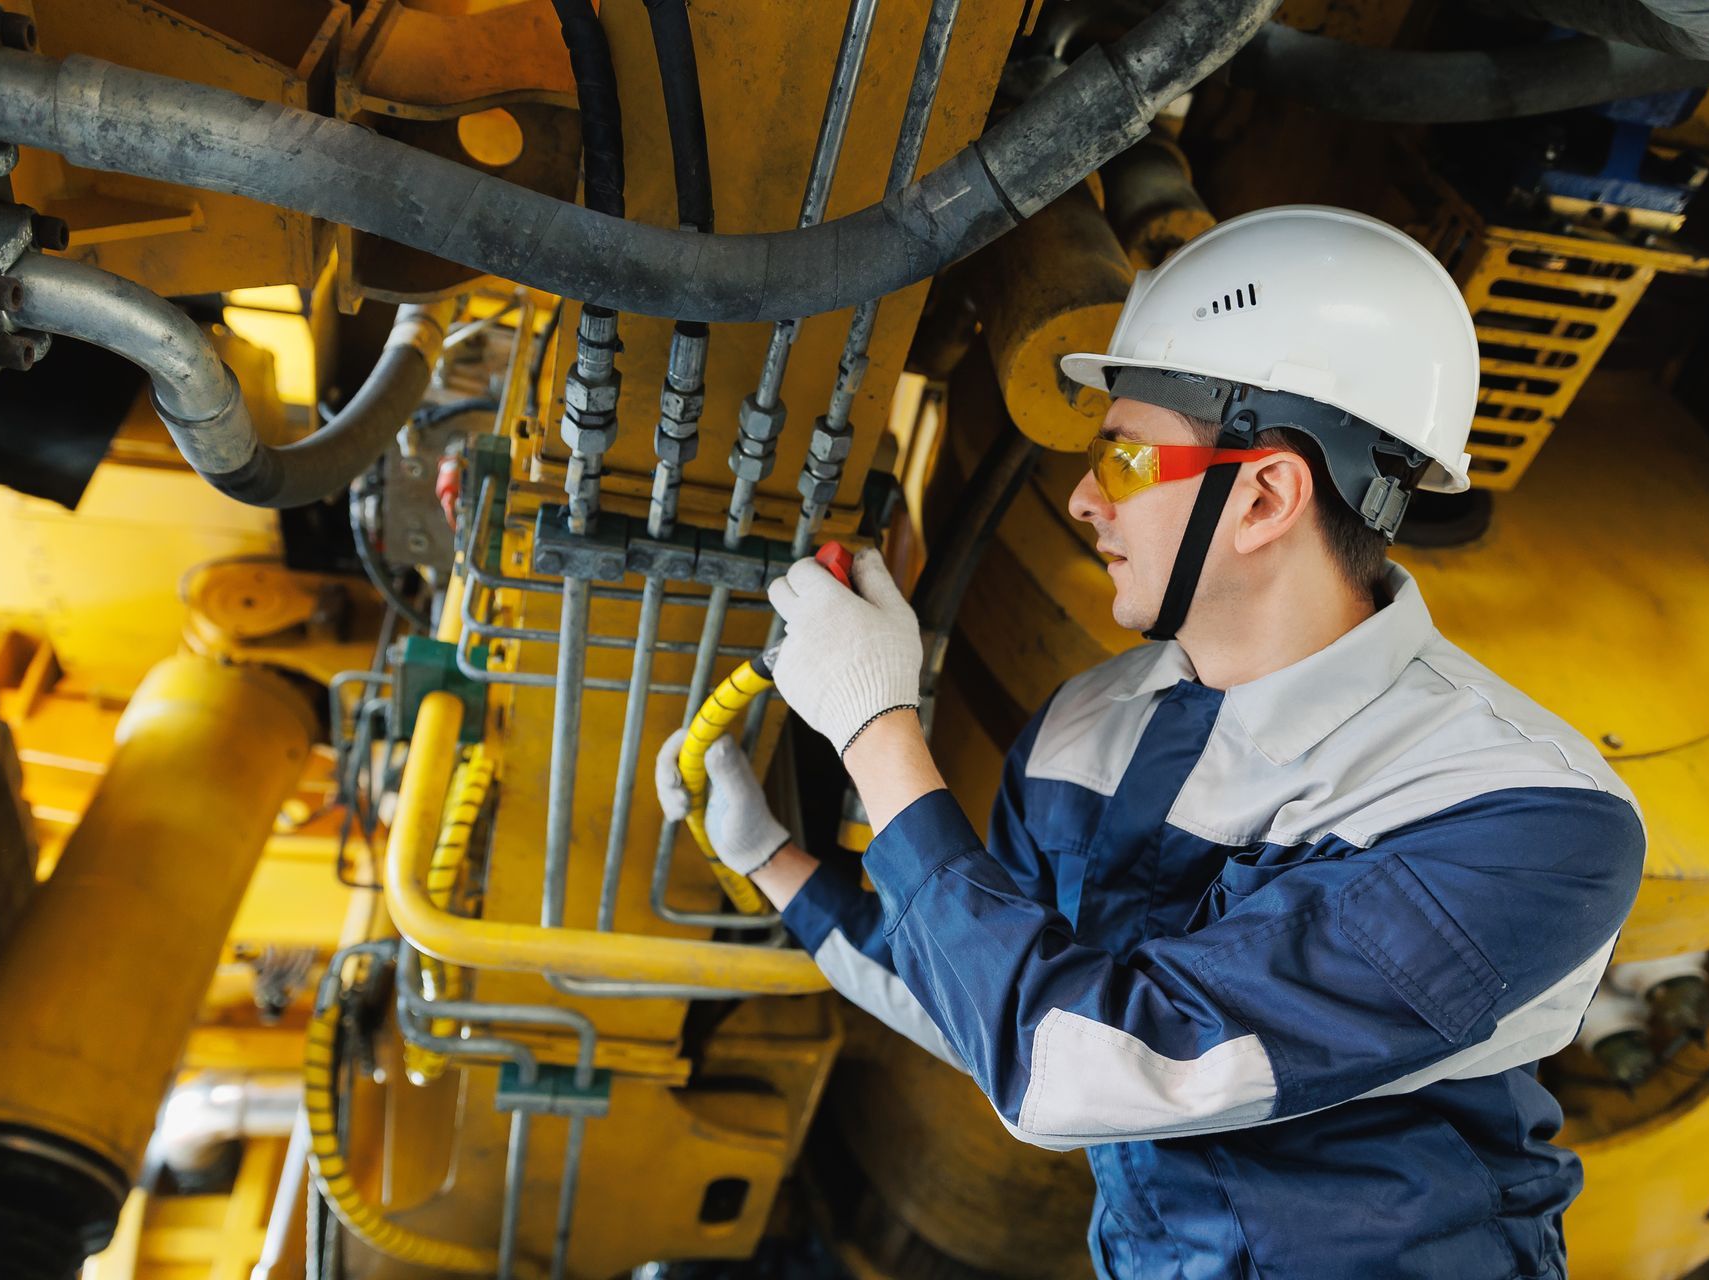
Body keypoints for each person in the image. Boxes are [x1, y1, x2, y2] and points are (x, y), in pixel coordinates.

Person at [657, 206, 1645, 1278]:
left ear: (1265, 494)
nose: (1084, 496)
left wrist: (877, 727)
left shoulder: (1526, 814)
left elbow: (1072, 1065)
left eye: (1125, 458)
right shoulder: (1086, 729)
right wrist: (773, 856)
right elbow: (992, 1005)